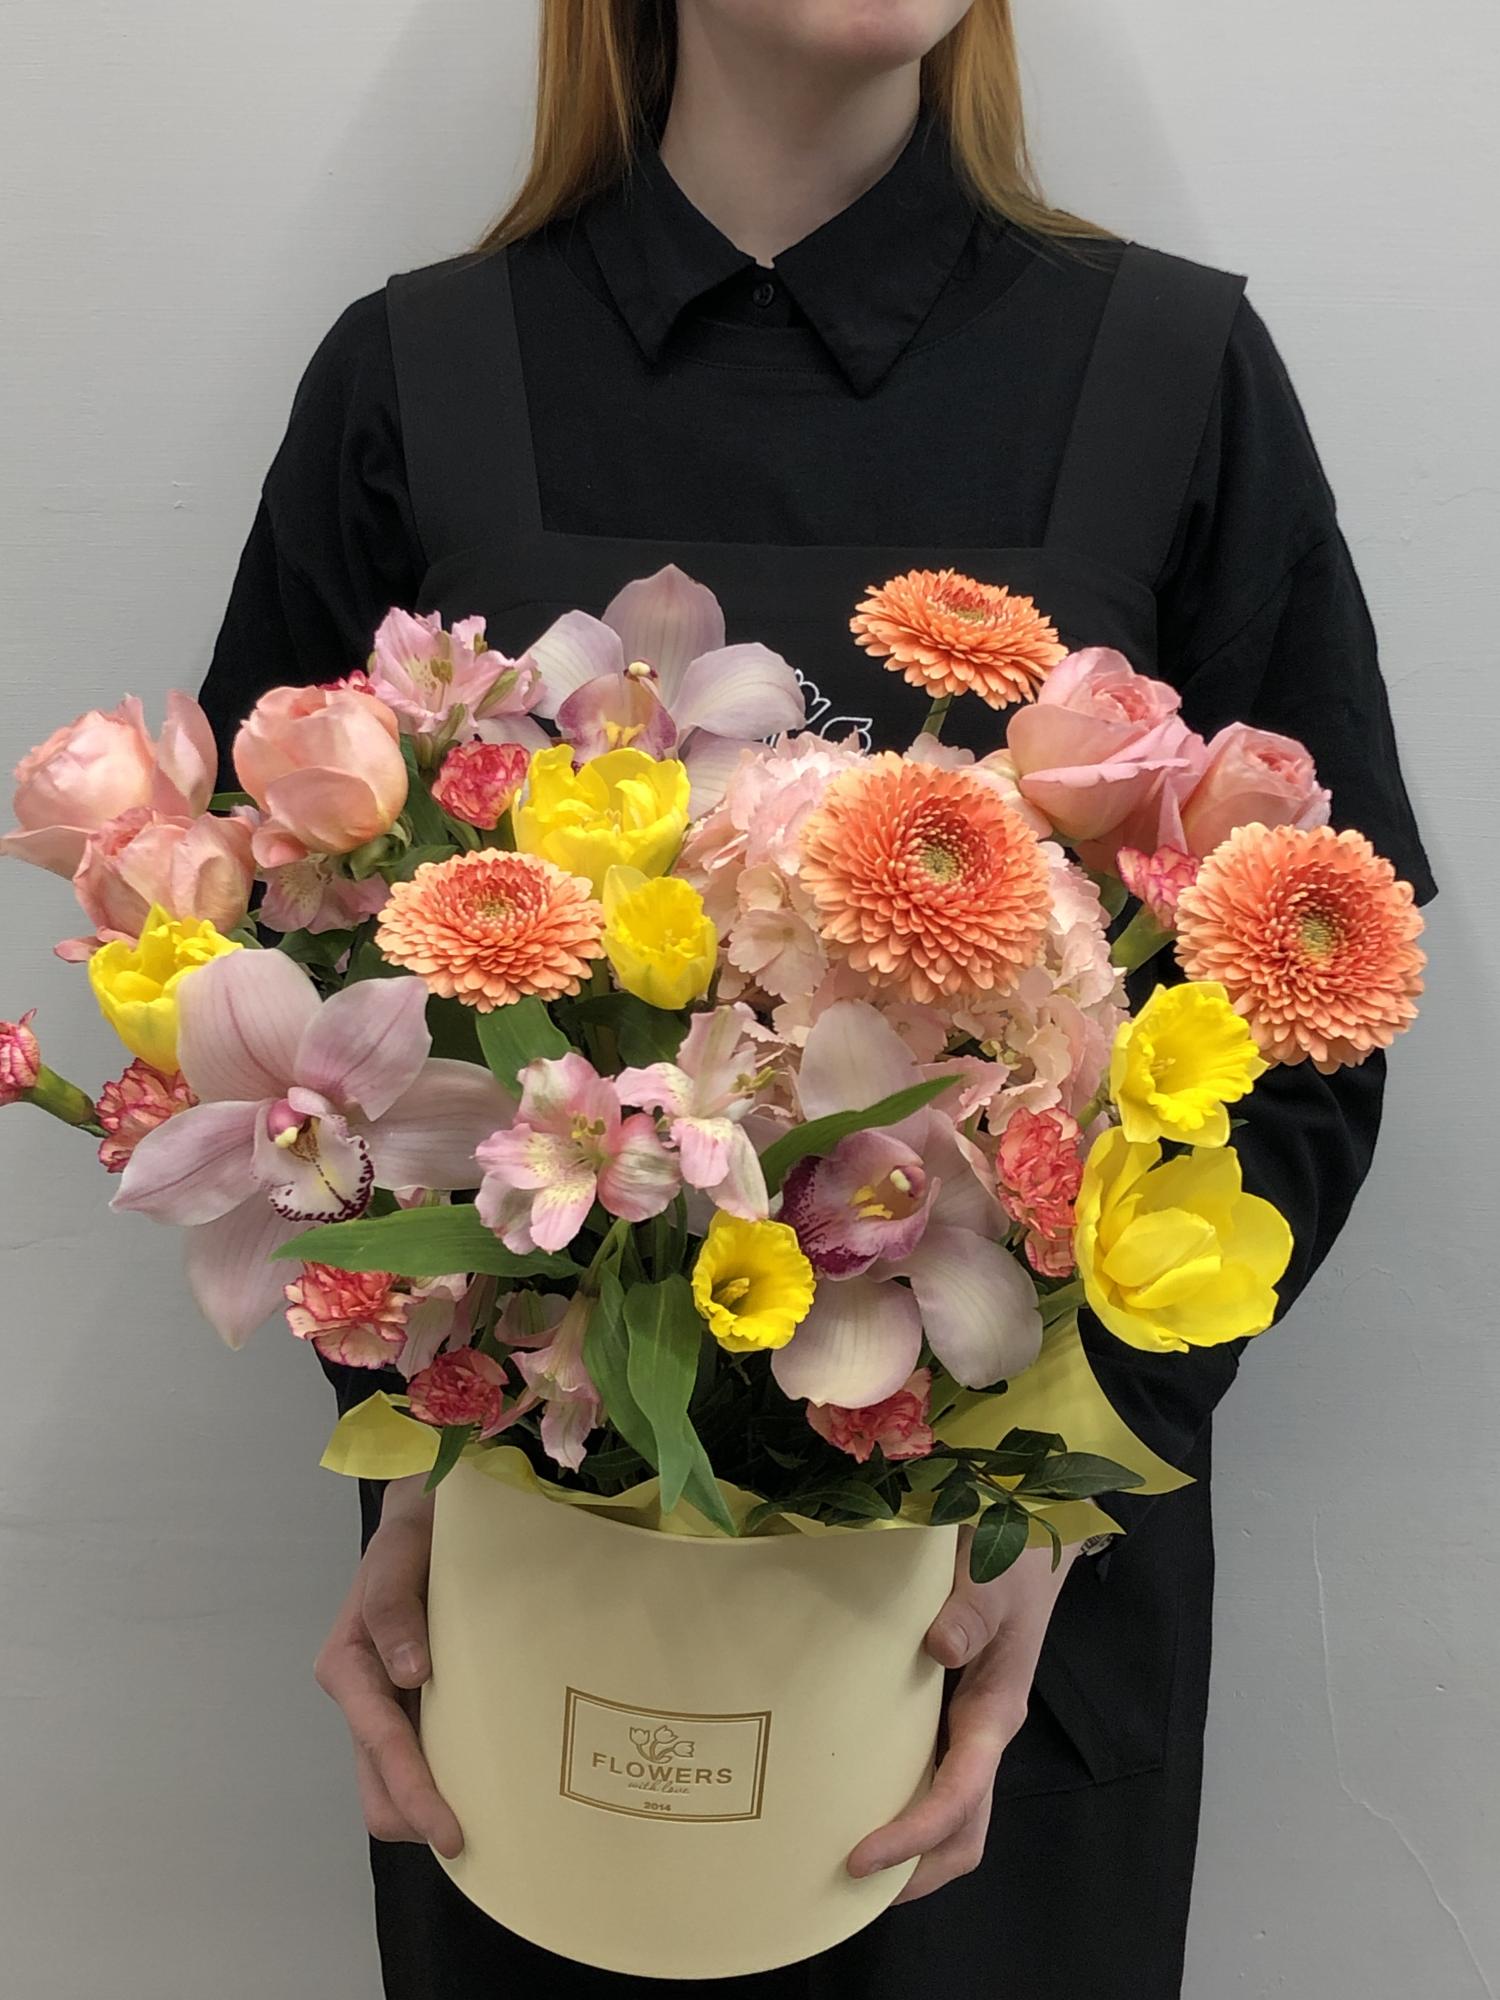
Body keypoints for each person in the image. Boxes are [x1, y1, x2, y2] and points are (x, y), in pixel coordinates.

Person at [197, 2, 1436, 1993]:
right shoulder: (422, 375)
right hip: (539, 1600)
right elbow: (278, 1001)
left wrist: (1055, 1499)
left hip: (996, 1644)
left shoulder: (1169, 373)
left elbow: (1310, 1023)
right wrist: (427, 1429)